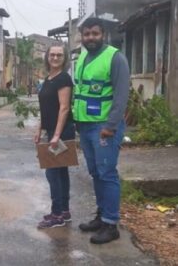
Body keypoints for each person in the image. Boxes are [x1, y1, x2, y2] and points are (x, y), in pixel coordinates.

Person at [74, 17, 130, 244]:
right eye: (86, 34)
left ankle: (111, 224)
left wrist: (110, 126)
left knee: (107, 174)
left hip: (103, 128)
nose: (90, 38)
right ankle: (101, 215)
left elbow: (121, 96)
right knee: (96, 173)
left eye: (95, 34)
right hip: (85, 126)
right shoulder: (83, 57)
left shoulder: (115, 58)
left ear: (103, 34)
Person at [35, 44, 75, 229]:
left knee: (53, 173)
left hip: (62, 131)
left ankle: (57, 214)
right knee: (60, 172)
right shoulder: (49, 79)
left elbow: (64, 107)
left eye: (59, 55)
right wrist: (40, 129)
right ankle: (64, 211)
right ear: (47, 57)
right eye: (52, 54)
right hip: (52, 130)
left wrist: (56, 135)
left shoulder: (64, 78)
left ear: (64, 58)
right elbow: (46, 109)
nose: (56, 58)